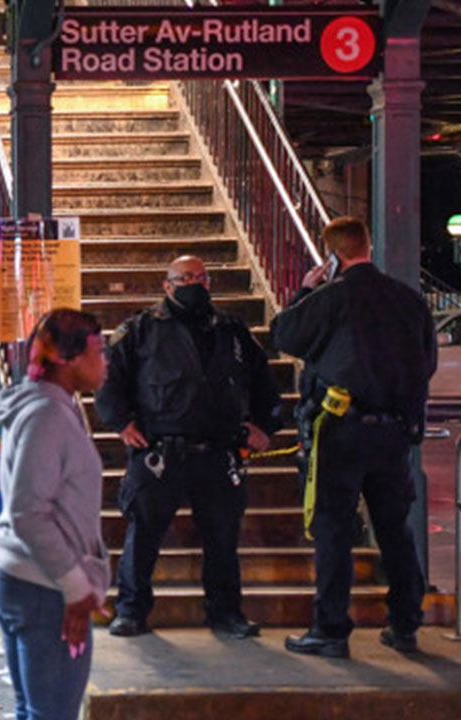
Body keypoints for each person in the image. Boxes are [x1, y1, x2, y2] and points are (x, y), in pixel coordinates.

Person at [272, 217, 436, 659]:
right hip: (393, 433)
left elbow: (285, 335)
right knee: (395, 529)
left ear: (332, 257)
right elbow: (427, 363)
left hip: (341, 431)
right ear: (368, 246)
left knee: (333, 529)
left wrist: (305, 290)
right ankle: (405, 623)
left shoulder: (330, 297)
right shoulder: (409, 300)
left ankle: (330, 629)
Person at [95, 255, 281, 639]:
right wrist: (120, 423)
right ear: (167, 285)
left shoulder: (231, 331)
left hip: (218, 450)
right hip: (160, 451)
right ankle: (131, 611)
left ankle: (226, 613)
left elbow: (263, 380)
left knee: (223, 539)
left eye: (201, 277)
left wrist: (264, 426)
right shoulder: (141, 330)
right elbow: (107, 379)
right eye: (185, 278)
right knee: (143, 537)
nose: (194, 284)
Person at [0, 309, 111, 720]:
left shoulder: (50, 407)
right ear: (68, 359)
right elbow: (28, 511)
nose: (105, 361)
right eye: (98, 351)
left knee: (37, 711)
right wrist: (74, 585)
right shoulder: (47, 415)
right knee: (51, 713)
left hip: (30, 579)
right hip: (41, 585)